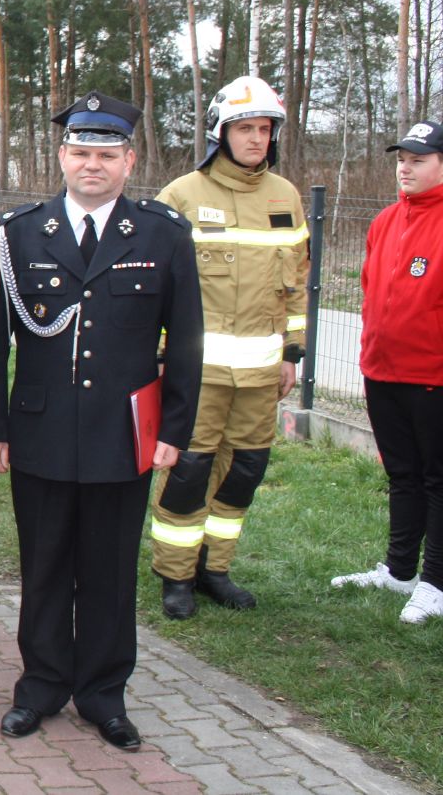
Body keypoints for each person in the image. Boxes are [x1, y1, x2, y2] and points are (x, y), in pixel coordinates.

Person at [0, 91, 203, 751]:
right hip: (41, 431)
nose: (93, 165)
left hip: (122, 436)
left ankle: (104, 695)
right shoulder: (21, 234)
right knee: (44, 564)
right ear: (62, 156)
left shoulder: (162, 234)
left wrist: (174, 433)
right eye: (81, 152)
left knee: (108, 571)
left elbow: (187, 341)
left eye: (107, 154)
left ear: (130, 161)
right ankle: (41, 686)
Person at [149, 77, 308, 618]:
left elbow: (297, 284)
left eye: (265, 129)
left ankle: (215, 568)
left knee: (245, 469)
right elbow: (152, 287)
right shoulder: (181, 196)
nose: (257, 139)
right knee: (190, 468)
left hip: (262, 377)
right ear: (221, 133)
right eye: (246, 128)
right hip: (198, 376)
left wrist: (292, 353)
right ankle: (174, 575)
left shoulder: (285, 197)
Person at [332, 120, 443, 624]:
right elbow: (371, 290)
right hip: (381, 371)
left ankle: (435, 581)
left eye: (418, 160)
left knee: (436, 478)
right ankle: (400, 571)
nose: (405, 167)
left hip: (433, 376)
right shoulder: (384, 221)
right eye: (401, 159)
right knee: (402, 475)